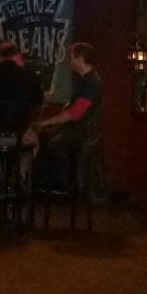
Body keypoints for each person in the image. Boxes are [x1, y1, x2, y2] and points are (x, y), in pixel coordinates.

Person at [0, 40, 44, 194]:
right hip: (19, 136)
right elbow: (38, 104)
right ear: (17, 55)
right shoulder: (30, 76)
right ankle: (18, 175)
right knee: (35, 141)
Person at [36, 42, 102, 191]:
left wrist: (45, 122)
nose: (68, 61)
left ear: (80, 59)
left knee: (50, 142)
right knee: (44, 136)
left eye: (70, 58)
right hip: (79, 130)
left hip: (80, 133)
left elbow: (74, 114)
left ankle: (60, 186)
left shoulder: (91, 83)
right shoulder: (87, 80)